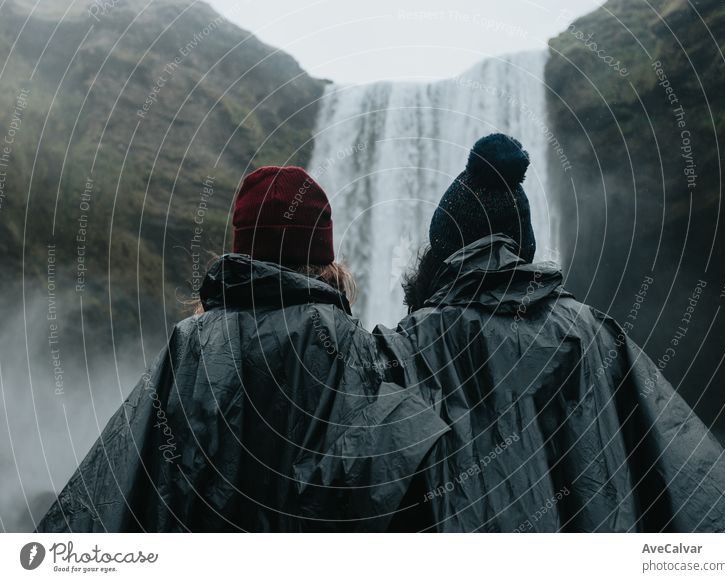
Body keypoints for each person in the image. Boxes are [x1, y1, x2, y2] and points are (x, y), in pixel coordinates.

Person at [378, 134, 725, 533]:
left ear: (441, 250)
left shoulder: (411, 342)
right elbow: (682, 466)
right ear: (523, 246)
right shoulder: (595, 332)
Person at [38, 166, 446, 532]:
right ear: (324, 259)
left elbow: (119, 481)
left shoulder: (192, 343)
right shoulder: (362, 350)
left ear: (242, 252)